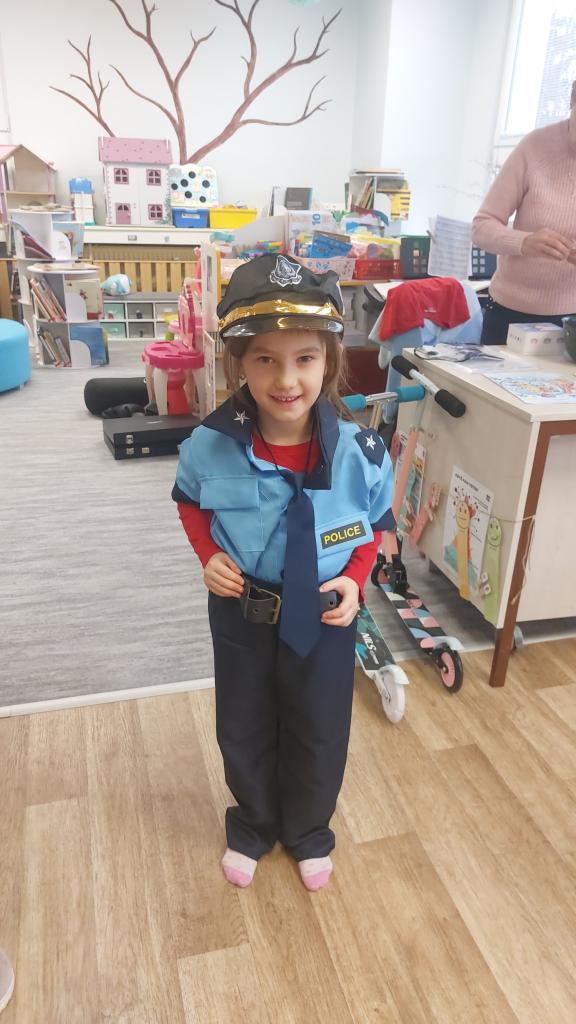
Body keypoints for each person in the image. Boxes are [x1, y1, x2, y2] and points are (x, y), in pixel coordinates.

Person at [172, 254, 394, 892]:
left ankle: (308, 830)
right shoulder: (209, 444)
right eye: (265, 359)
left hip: (325, 613)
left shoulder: (360, 452)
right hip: (243, 608)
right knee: (242, 721)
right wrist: (208, 556)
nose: (286, 379)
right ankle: (252, 824)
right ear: (239, 363)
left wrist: (355, 577)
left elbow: (375, 521)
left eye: (304, 358)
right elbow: (189, 501)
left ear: (329, 361)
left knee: (320, 724)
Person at [472, 80, 576, 345]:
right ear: (572, 101)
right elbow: (482, 227)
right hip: (510, 313)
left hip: (571, 320)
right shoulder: (535, 147)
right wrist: (524, 242)